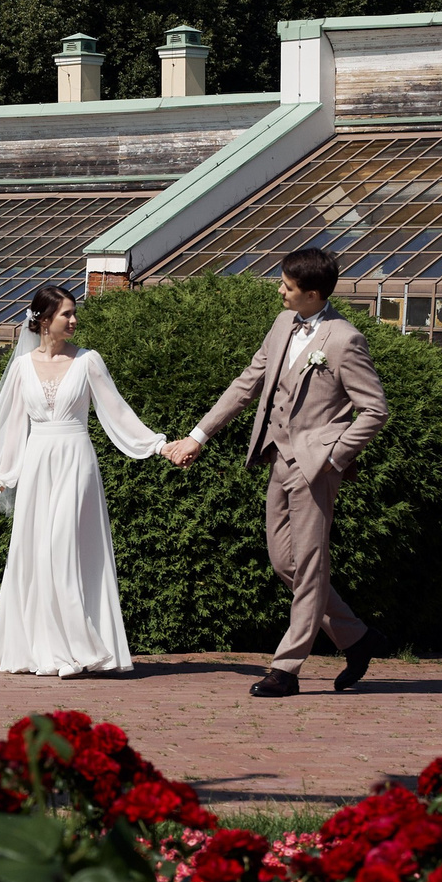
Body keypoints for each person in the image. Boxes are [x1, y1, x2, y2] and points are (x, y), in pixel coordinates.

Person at [163, 246, 390, 697]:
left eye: (287, 286)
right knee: (284, 562)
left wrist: (333, 455)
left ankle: (285, 669)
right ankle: (358, 638)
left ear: (313, 294)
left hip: (316, 466)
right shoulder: (284, 323)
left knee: (308, 565)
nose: (279, 291)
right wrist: (198, 436)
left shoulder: (345, 340)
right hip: (277, 458)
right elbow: (247, 383)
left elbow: (375, 409)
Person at [0, 283, 171, 676]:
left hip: (76, 462)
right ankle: (40, 648)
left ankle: (78, 647)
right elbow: (9, 426)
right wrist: (2, 477)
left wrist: (157, 445)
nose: (74, 320)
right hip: (36, 466)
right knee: (36, 552)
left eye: (73, 312)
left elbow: (117, 411)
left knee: (64, 549)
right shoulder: (21, 367)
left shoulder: (88, 361)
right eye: (66, 314)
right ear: (44, 320)